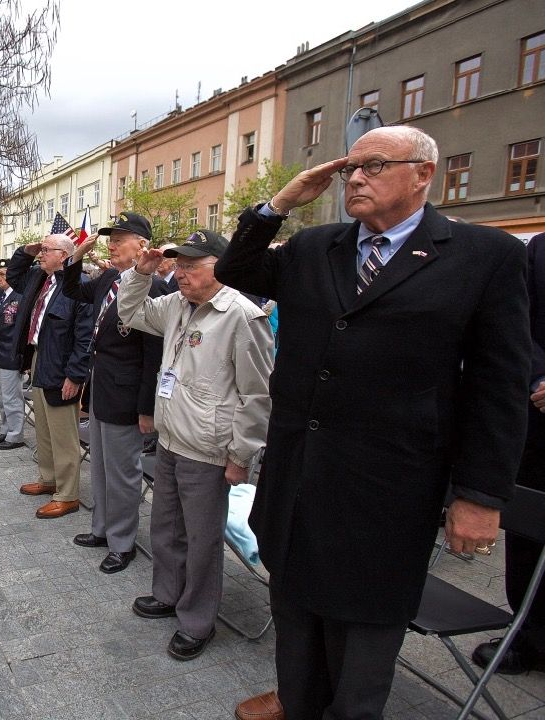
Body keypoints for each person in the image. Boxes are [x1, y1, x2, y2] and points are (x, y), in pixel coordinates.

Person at [217, 126, 530, 719]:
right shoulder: (316, 248)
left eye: (375, 165)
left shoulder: (484, 257)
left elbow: (499, 385)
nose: (355, 177)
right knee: (296, 655)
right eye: (349, 168)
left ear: (423, 175)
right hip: (297, 484)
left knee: (359, 671)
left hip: (386, 496)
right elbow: (236, 268)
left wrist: (481, 495)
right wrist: (279, 204)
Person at [118, 228, 273, 660]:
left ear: (218, 267)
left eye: (190, 266)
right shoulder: (176, 304)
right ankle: (167, 594)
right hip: (170, 438)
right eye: (178, 265)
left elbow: (257, 396)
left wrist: (240, 456)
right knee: (165, 528)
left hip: (208, 449)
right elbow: (129, 313)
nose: (180, 273)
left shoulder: (242, 316)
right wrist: (140, 273)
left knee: (203, 541)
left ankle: (197, 620)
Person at [63, 212, 169, 574]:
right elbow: (72, 289)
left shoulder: (153, 289)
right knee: (101, 469)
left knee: (124, 474)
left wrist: (146, 408)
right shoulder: (108, 277)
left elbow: (154, 355)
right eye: (110, 237)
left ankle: (123, 543)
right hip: (102, 390)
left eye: (120, 237)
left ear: (142, 244)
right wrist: (77, 255)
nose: (112, 243)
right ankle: (102, 529)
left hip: (127, 397)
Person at [471, 231, 545, 676]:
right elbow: (516, 323)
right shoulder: (537, 250)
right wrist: (538, 378)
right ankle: (530, 632)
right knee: (529, 537)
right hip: (538, 419)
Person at [6, 234, 93, 519]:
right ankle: (48, 479)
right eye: (40, 250)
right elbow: (13, 275)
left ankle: (67, 495)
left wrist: (75, 375)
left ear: (65, 256)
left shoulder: (78, 286)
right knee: (43, 426)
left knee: (63, 433)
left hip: (61, 365)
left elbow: (84, 337)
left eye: (46, 250)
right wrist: (26, 252)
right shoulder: (40, 279)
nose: (41, 254)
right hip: (39, 357)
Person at [0, 259, 25, 450]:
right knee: (1, 397)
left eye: (3, 274)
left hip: (9, 354)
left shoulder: (19, 296)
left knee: (12, 398)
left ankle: (16, 434)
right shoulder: (0, 296)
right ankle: (6, 428)